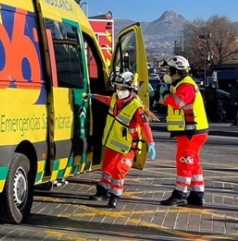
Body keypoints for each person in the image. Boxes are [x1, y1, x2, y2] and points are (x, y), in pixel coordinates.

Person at [86, 71, 157, 208]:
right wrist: (94, 96)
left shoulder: (136, 108)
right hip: (112, 142)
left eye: (122, 88)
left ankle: (114, 196)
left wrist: (151, 143)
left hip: (128, 146)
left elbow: (145, 126)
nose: (119, 91)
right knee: (106, 167)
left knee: (119, 170)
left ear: (130, 89)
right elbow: (107, 100)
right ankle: (102, 191)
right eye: (118, 88)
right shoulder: (114, 98)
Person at [158, 55, 208, 206]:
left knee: (184, 163)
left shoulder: (186, 85)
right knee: (193, 163)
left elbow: (177, 103)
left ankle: (180, 193)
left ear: (176, 71)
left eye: (168, 71)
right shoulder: (181, 84)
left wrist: (166, 94)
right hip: (190, 131)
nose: (166, 74)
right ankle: (197, 194)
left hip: (191, 131)